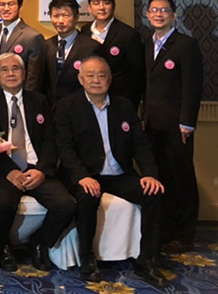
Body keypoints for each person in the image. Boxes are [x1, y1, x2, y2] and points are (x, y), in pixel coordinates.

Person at [55, 56, 167, 287]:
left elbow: (140, 144)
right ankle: (87, 258)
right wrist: (81, 176)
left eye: (102, 75)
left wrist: (149, 173)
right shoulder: (67, 106)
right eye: (90, 75)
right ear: (81, 79)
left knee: (153, 193)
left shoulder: (124, 106)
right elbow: (65, 149)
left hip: (118, 175)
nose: (96, 80)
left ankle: (147, 259)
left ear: (110, 79)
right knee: (87, 197)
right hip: (86, 174)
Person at [0, 53, 75, 272]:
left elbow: (51, 140)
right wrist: (10, 171)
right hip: (5, 169)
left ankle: (39, 243)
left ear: (24, 73)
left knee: (65, 205)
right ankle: (4, 247)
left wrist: (42, 170)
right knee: (2, 204)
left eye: (16, 68)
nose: (10, 73)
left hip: (35, 167)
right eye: (4, 70)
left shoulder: (40, 101)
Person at [143, 0, 204, 253]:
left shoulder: (185, 45)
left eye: (164, 10)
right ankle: (166, 230)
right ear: (148, 15)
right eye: (154, 10)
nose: (158, 14)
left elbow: (193, 86)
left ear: (174, 15)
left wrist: (187, 123)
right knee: (161, 176)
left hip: (177, 126)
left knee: (182, 177)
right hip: (152, 125)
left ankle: (185, 235)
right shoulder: (148, 43)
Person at [79, 0, 145, 109]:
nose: (101, 7)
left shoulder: (128, 34)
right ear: (89, 8)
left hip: (119, 98)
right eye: (96, 3)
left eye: (106, 3)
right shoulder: (85, 31)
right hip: (88, 98)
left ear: (114, 6)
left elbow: (136, 74)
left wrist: (132, 104)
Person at [0, 0, 46, 93]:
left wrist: (27, 100)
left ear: (20, 6)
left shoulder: (32, 37)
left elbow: (34, 78)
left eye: (11, 4)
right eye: (2, 4)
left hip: (19, 96)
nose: (6, 8)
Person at [44, 0, 102, 103]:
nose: (60, 21)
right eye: (56, 16)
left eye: (65, 15)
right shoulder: (45, 45)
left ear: (76, 17)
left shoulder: (90, 47)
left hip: (79, 106)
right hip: (51, 107)